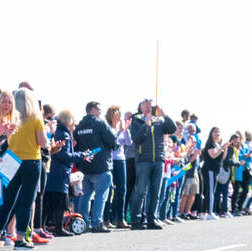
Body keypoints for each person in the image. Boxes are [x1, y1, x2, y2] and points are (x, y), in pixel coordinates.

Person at [0, 90, 49, 250]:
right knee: (27, 200)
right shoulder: (36, 118)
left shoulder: (11, 118)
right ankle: (21, 238)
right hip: (31, 161)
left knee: (7, 200)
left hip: (12, 160)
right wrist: (50, 145)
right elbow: (42, 141)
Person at [129, 99, 176, 230]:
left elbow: (172, 129)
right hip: (143, 160)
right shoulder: (137, 120)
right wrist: (146, 124)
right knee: (140, 191)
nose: (150, 107)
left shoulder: (160, 120)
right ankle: (136, 220)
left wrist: (164, 115)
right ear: (141, 107)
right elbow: (136, 139)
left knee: (156, 192)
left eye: (151, 105)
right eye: (146, 105)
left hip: (159, 159)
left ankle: (152, 219)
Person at [74, 101, 118, 233]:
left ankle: (84, 224)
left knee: (85, 197)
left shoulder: (79, 126)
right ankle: (97, 223)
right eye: (99, 109)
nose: (100, 112)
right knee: (100, 196)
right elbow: (113, 141)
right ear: (92, 110)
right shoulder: (100, 123)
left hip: (85, 167)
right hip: (101, 166)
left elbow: (76, 144)